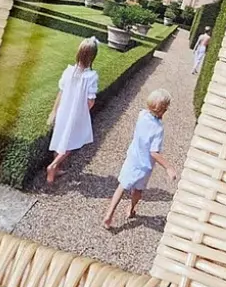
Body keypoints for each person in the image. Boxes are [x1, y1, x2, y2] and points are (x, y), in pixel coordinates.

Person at [103, 90, 178, 230]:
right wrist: (168, 167)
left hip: (132, 158)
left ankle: (109, 213)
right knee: (138, 190)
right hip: (144, 165)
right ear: (162, 109)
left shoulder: (142, 115)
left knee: (122, 186)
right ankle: (130, 209)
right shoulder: (158, 129)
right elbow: (154, 152)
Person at [44, 37, 100, 186]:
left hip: (63, 110)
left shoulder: (68, 71)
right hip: (76, 114)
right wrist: (83, 113)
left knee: (61, 138)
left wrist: (54, 111)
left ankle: (56, 168)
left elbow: (60, 92)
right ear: (93, 57)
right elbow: (90, 101)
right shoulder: (91, 77)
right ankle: (53, 165)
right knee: (72, 141)